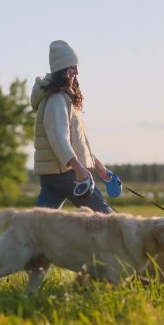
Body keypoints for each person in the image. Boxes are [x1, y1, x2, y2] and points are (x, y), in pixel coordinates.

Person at [30, 40, 114, 214]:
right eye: (72, 67)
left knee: (39, 226)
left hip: (53, 175)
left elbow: (76, 142)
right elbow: (59, 140)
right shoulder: (57, 100)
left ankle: (21, 241)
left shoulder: (61, 98)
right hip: (66, 174)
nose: (77, 71)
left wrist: (97, 165)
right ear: (61, 69)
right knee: (107, 219)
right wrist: (79, 169)